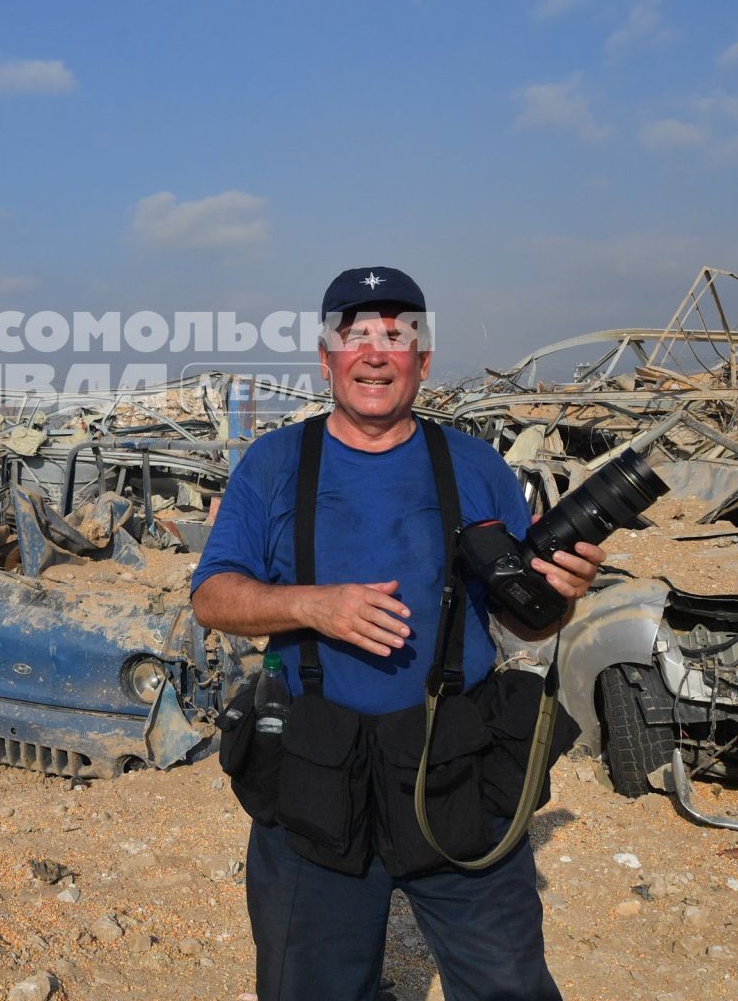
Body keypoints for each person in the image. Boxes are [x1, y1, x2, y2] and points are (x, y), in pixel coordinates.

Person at [191, 266, 605, 1001]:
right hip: (317, 770)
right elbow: (214, 598)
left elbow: (518, 615)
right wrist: (312, 606)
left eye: (397, 336)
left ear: (423, 359)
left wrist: (560, 595)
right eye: (356, 338)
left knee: (508, 985)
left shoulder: (476, 467)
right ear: (325, 358)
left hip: (455, 765)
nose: (377, 354)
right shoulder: (274, 464)